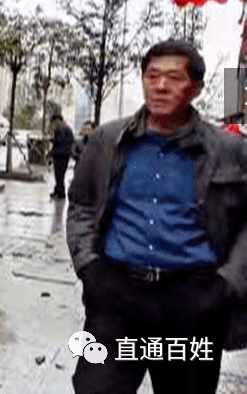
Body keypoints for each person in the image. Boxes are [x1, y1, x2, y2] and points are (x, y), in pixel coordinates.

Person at [67, 39, 247, 394]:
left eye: (174, 78)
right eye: (153, 75)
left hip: (192, 303)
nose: (161, 86)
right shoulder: (107, 140)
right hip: (117, 298)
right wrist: (90, 267)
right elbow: (82, 205)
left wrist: (227, 284)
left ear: (195, 88)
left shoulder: (229, 151)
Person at [49, 114, 74, 200]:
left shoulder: (64, 130)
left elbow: (63, 141)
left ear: (59, 120)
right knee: (58, 174)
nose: (55, 124)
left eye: (55, 122)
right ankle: (58, 191)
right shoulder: (61, 129)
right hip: (59, 154)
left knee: (60, 174)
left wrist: (54, 140)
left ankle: (60, 193)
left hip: (62, 155)